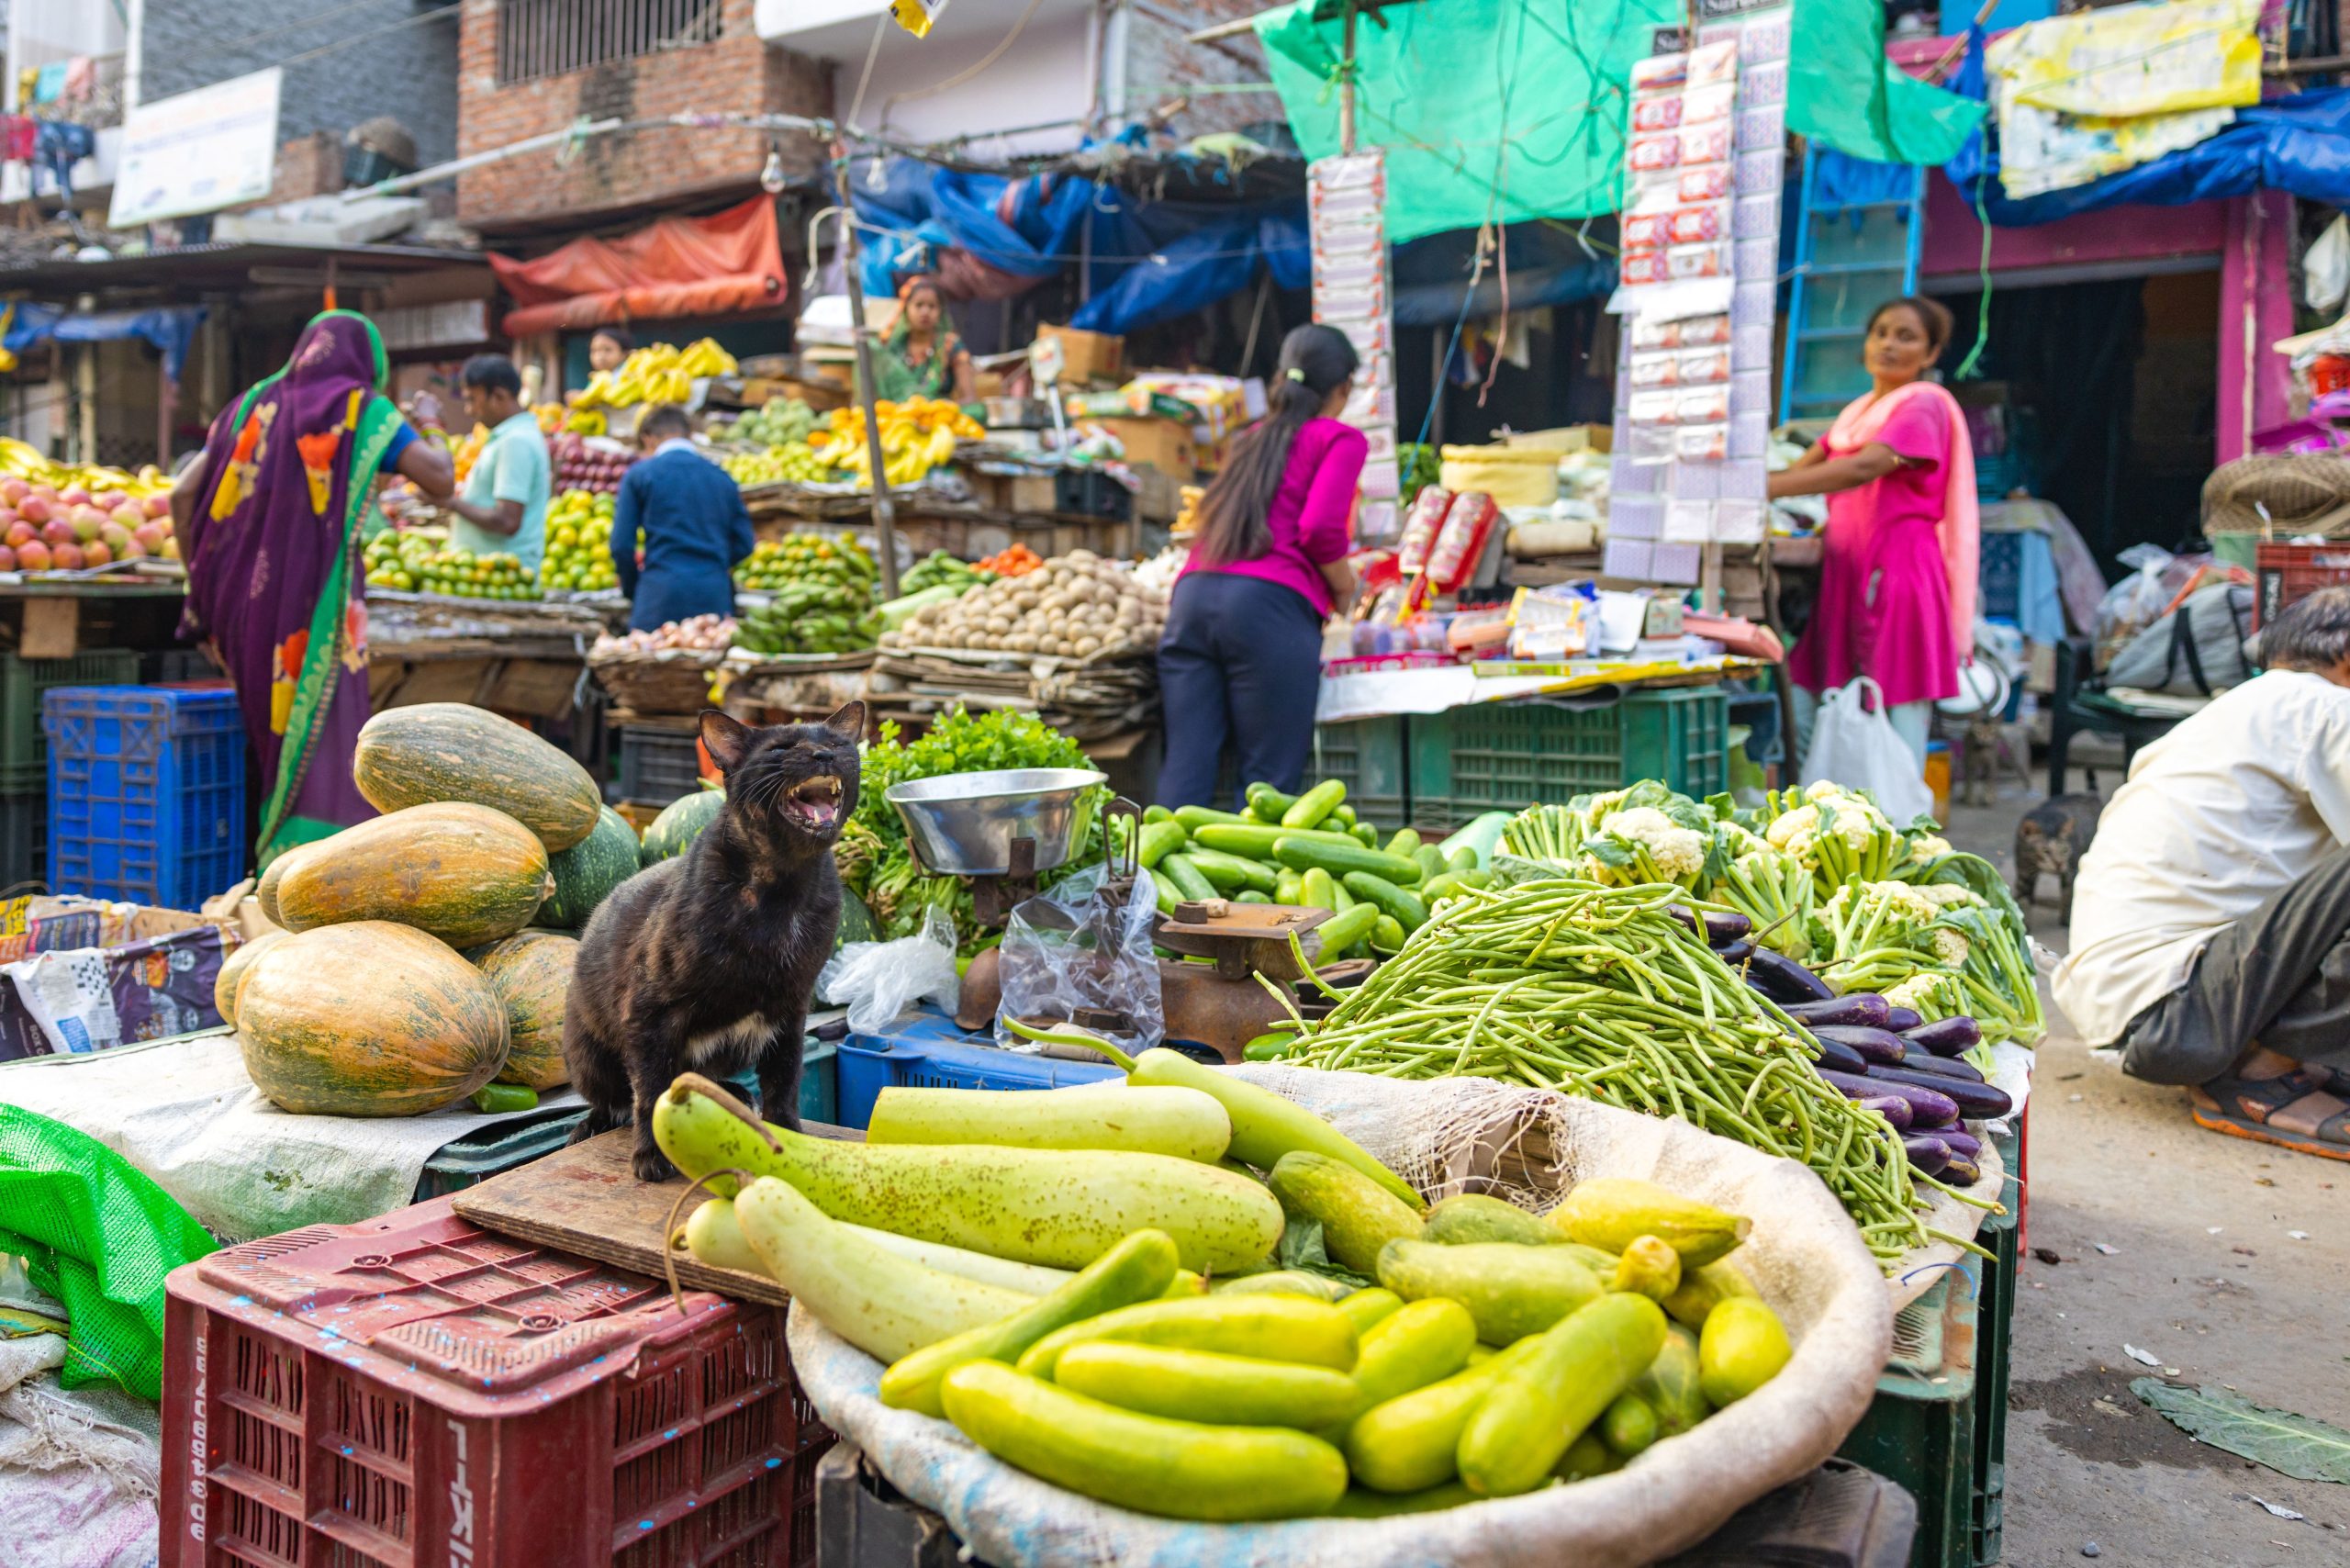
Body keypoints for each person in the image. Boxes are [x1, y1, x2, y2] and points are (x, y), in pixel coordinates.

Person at [2055, 588, 2350, 1161]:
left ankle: (2270, 1057)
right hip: (2178, 1012)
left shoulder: (2245, 707)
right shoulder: (2323, 708)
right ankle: (2259, 1074)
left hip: (2146, 1011)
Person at [170, 310, 455, 864]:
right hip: (315, 608)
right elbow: (440, 480)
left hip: (238, 607)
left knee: (269, 742)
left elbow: (181, 494)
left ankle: (262, 867)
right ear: (369, 362)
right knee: (318, 746)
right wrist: (429, 422)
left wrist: (201, 590)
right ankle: (306, 875)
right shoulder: (360, 408)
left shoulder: (250, 404)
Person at [1156, 323, 1362, 807]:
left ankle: (1148, 882)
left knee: (1184, 776)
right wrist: (1345, 589)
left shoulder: (1250, 438)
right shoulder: (1338, 439)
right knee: (1265, 788)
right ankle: (1242, 888)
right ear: (1343, 387)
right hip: (1267, 610)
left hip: (1191, 600)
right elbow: (1319, 529)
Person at [1767, 297, 1978, 768]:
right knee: (1810, 699)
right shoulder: (1856, 415)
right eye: (1880, 332)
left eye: (1906, 336)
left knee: (1898, 711)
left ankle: (1904, 830)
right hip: (1847, 575)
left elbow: (1863, 467)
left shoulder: (1923, 405)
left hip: (1897, 576)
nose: (1888, 344)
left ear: (1931, 353)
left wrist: (1763, 487)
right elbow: (1807, 466)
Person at [612, 405, 755, 632]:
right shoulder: (721, 478)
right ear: (690, 435)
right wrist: (712, 565)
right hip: (712, 597)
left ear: (648, 438)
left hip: (658, 597)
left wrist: (634, 588)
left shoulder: (640, 476)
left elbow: (621, 545)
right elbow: (745, 543)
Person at [446, 353, 553, 573]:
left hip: (503, 578)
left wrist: (449, 502)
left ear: (499, 396)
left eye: (472, 399)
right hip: (486, 576)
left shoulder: (516, 442)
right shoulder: (508, 437)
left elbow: (507, 520)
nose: (469, 410)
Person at [872, 276, 976, 404]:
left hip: (938, 417)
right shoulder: (891, 346)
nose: (925, 312)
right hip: (897, 418)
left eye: (932, 306)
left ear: (940, 312)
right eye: (919, 305)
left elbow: (969, 397)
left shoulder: (950, 345)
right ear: (906, 309)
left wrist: (944, 410)